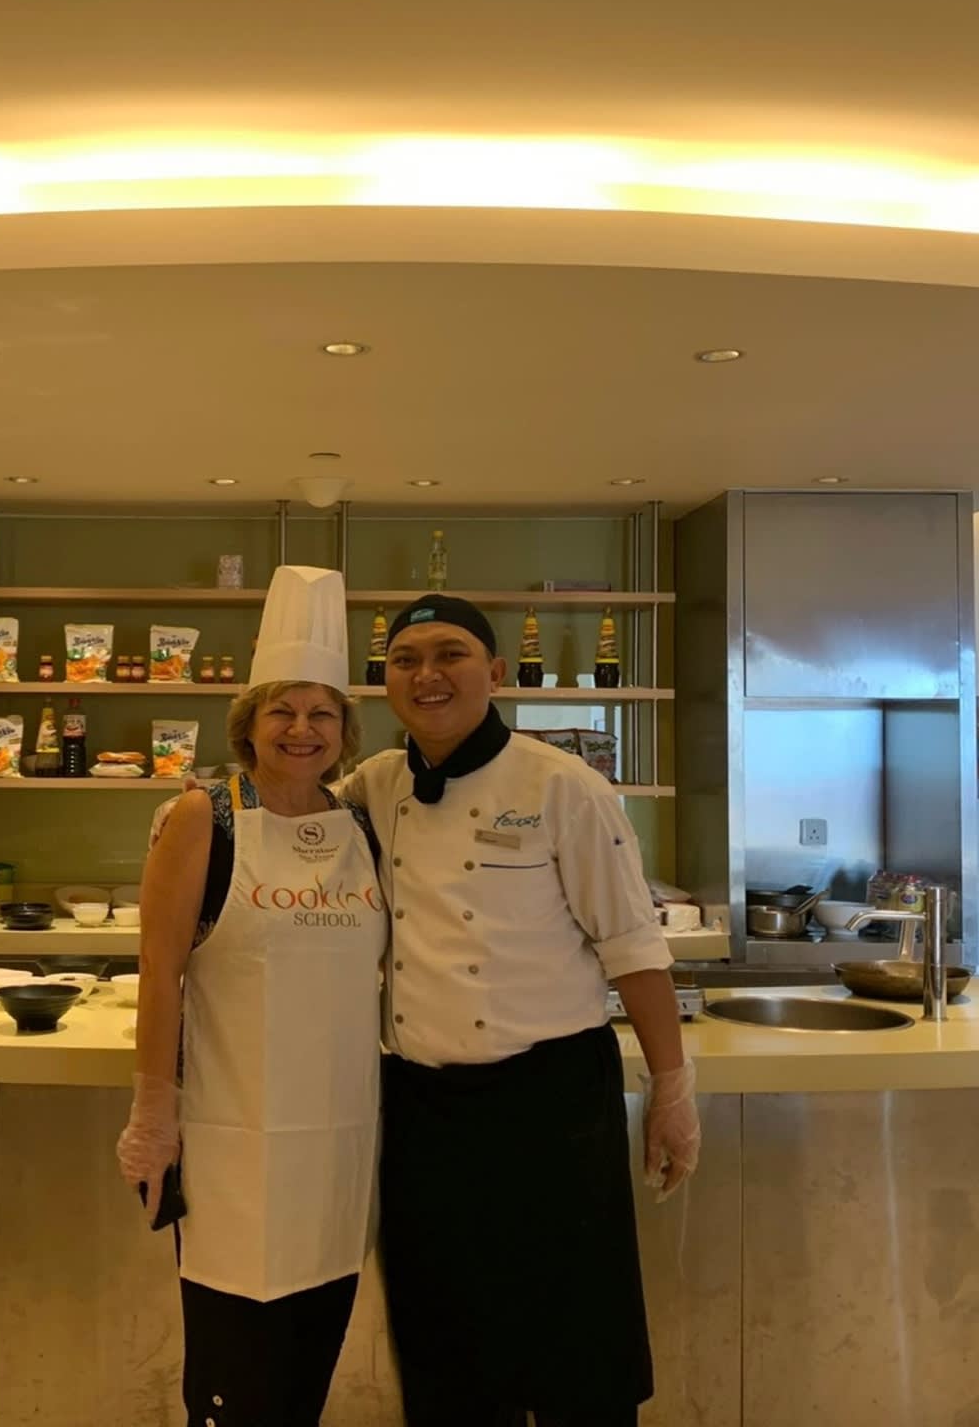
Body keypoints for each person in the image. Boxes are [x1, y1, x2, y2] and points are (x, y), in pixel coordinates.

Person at [348, 594, 699, 1427]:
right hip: (422, 1107)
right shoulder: (373, 784)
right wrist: (202, 817)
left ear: (497, 672)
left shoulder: (564, 786)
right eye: (406, 660)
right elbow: (289, 828)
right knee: (443, 1346)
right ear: (385, 680)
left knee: (576, 1349)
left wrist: (673, 1092)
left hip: (551, 1104)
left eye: (451, 654)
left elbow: (633, 949)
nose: (427, 675)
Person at [117, 565, 386, 1427]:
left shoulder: (362, 825)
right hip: (233, 1141)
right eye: (283, 711)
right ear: (249, 724)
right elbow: (160, 969)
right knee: (240, 1380)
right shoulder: (204, 816)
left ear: (344, 730)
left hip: (340, 1141)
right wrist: (152, 1114)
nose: (302, 730)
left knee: (309, 1366)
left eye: (322, 713)